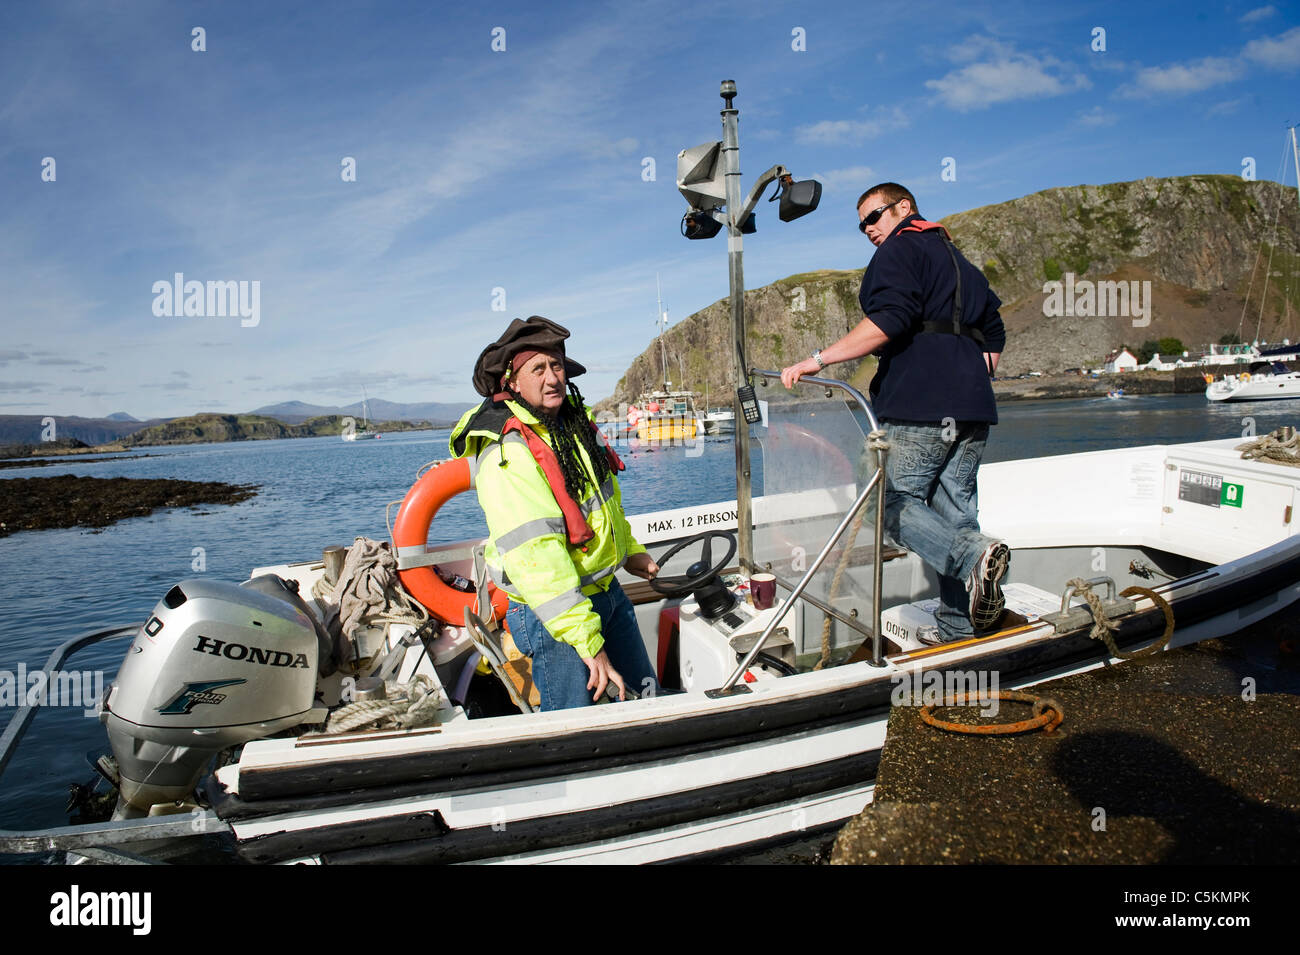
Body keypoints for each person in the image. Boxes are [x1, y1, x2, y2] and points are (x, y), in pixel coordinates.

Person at [780, 182, 1009, 643]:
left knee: (881, 503)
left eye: (874, 216)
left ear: (904, 209)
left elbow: (889, 320)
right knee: (956, 516)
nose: (868, 229)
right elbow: (994, 328)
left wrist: (817, 360)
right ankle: (957, 627)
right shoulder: (961, 265)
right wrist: (972, 366)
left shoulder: (899, 252)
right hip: (972, 407)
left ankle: (971, 558)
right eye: (861, 223)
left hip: (920, 404)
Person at [449, 315, 663, 709]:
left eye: (557, 365)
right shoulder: (507, 451)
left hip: (605, 593)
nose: (553, 378)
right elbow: (537, 556)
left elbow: (606, 502)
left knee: (646, 699)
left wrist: (631, 550)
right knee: (573, 722)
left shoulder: (573, 426)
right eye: (538, 368)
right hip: (554, 615)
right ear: (511, 382)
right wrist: (585, 639)